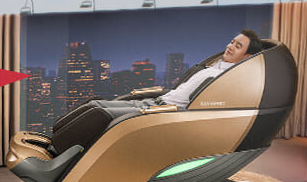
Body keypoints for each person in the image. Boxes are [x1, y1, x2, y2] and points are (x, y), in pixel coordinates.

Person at [47, 31, 267, 156]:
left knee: (100, 113)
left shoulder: (227, 79)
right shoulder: (216, 67)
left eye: (238, 46)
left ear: (247, 57)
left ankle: (58, 148)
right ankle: (54, 138)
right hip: (159, 101)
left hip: (162, 110)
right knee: (95, 102)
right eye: (231, 41)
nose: (230, 46)